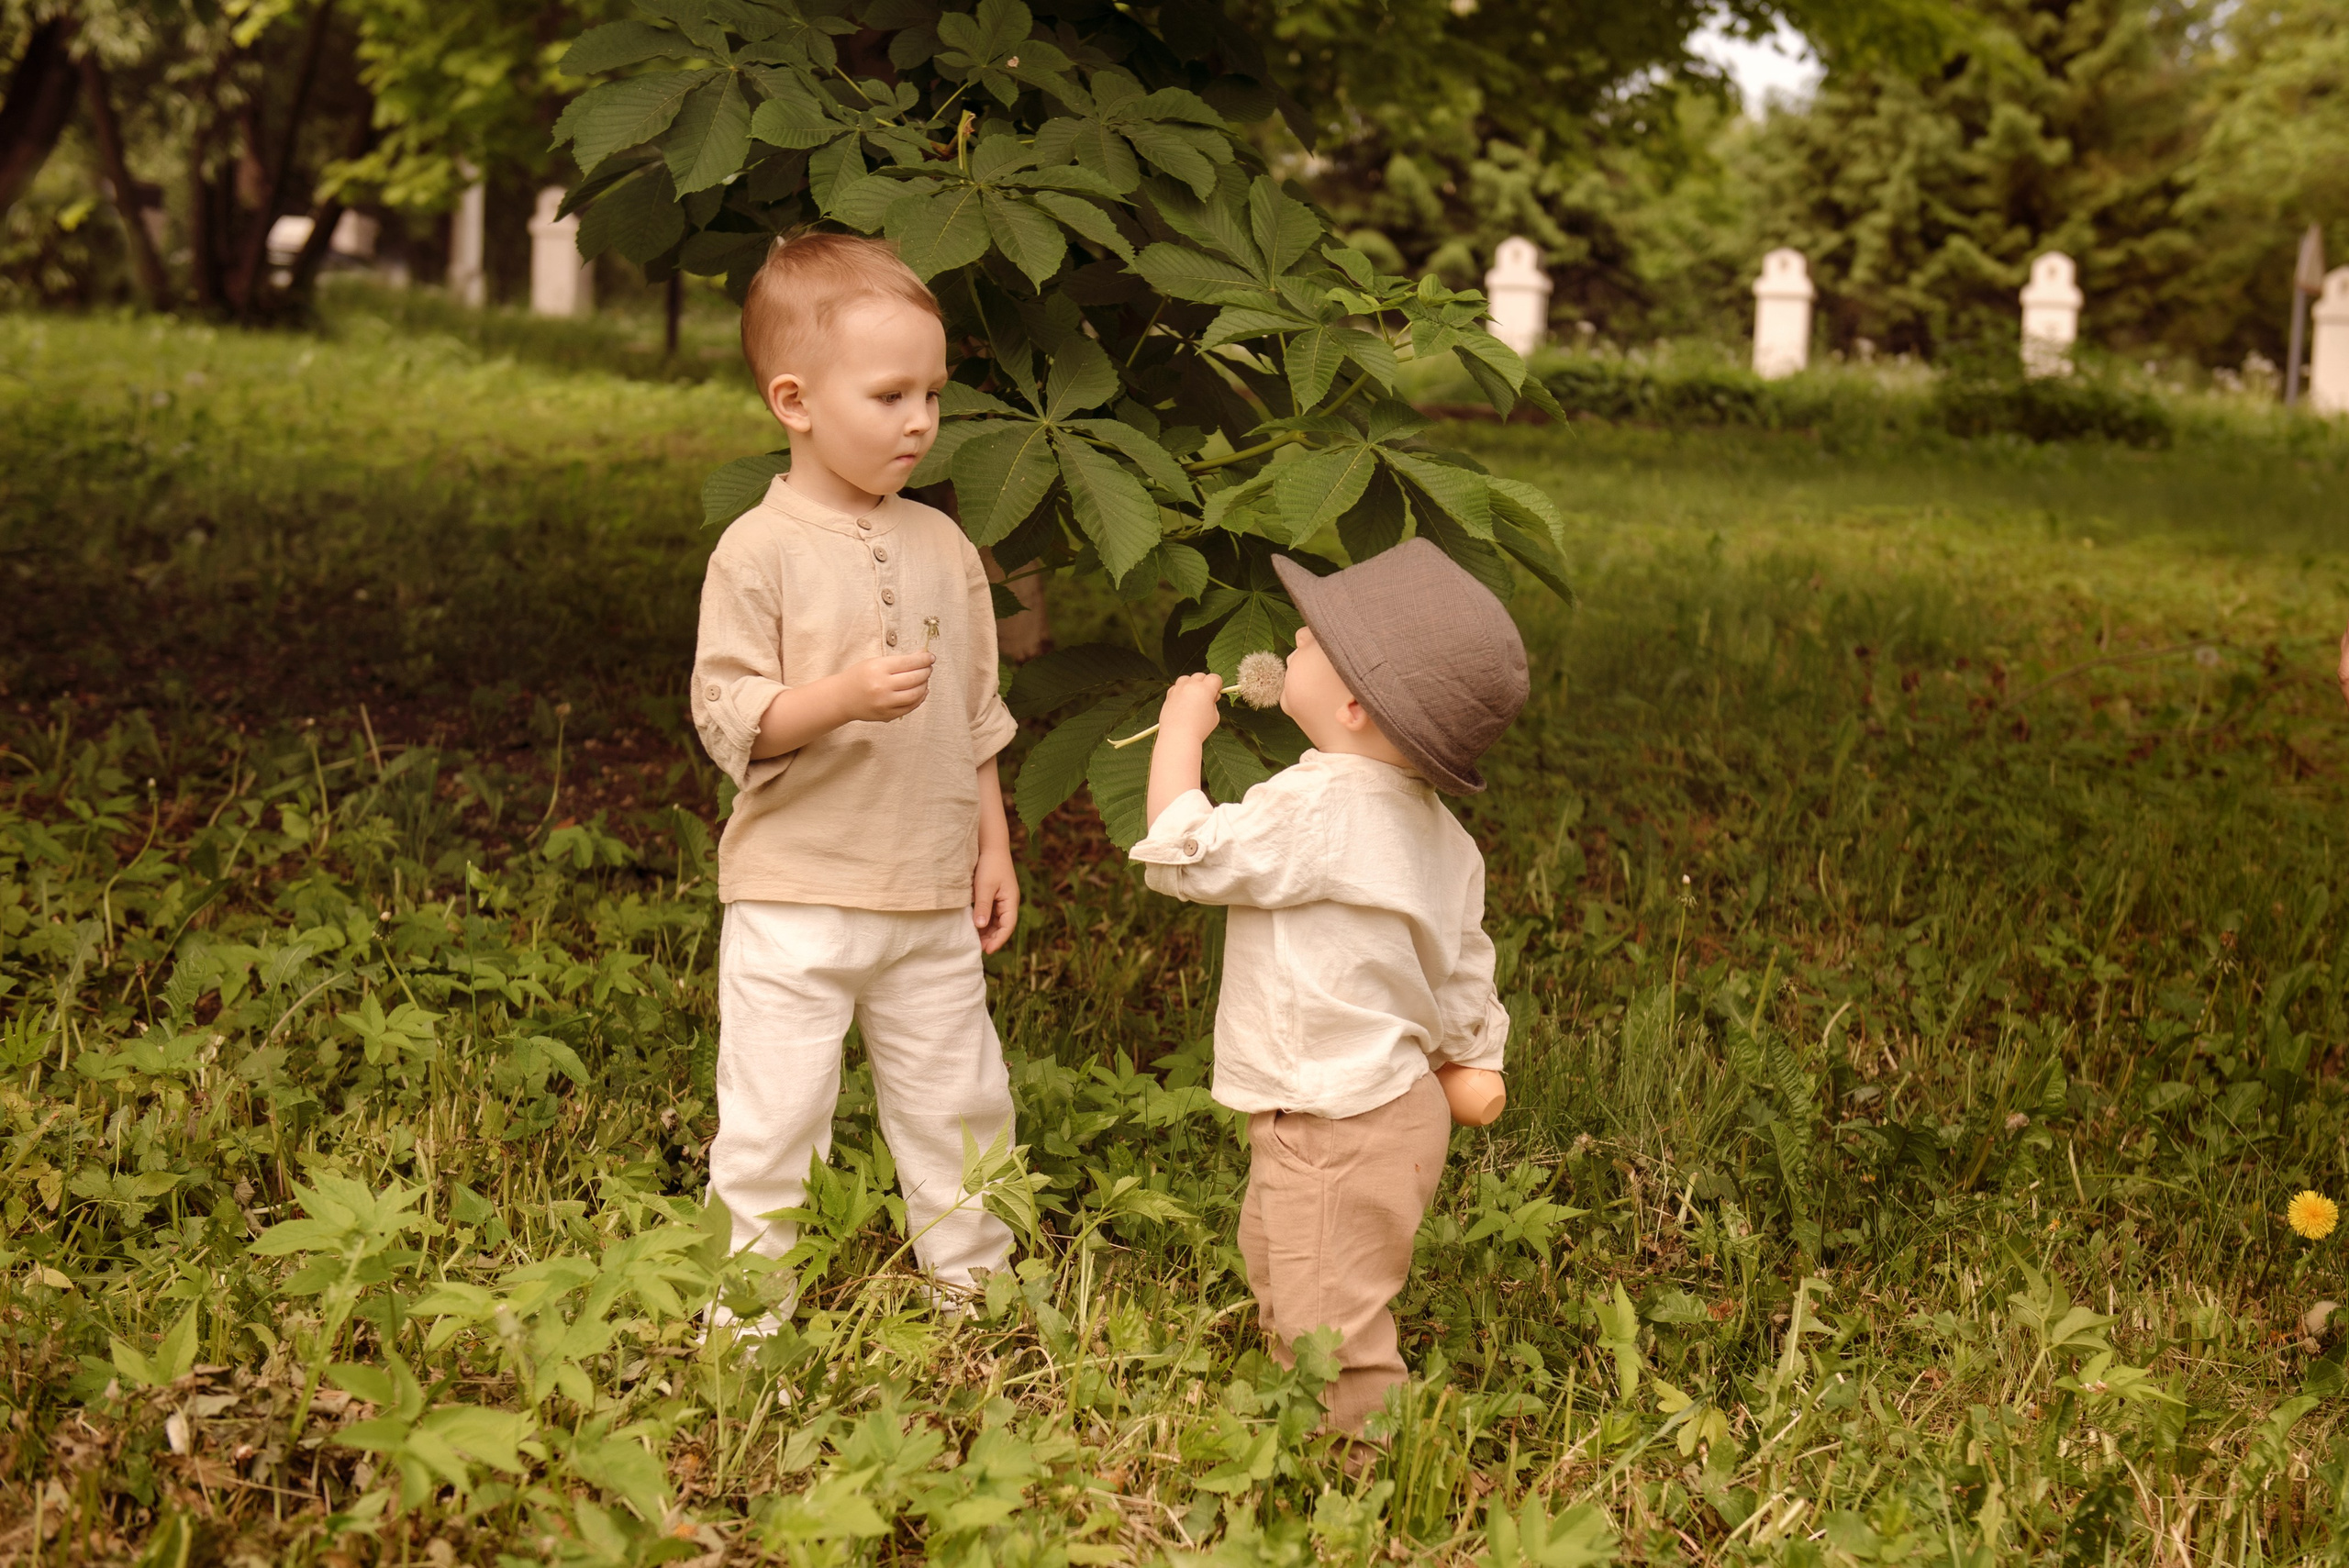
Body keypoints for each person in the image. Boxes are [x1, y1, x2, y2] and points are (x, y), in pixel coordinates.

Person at [689, 232, 1020, 1329]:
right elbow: (730, 712)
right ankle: (746, 1316)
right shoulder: (757, 548)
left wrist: (992, 843)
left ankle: (977, 1290)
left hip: (926, 894)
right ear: (794, 400)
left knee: (961, 1103)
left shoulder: (943, 544)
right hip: (796, 895)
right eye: (889, 394)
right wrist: (839, 696)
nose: (920, 419)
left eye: (932, 391)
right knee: (776, 1119)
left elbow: (975, 713)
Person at [1129, 539, 1528, 1432]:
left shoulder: (1313, 803)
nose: (1294, 639)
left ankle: (1353, 1466)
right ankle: (1298, 1402)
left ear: (1350, 703)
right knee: (1290, 1262)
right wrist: (1473, 1059)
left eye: (1310, 642)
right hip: (1396, 1105)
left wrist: (1178, 736)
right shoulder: (1444, 835)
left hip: (1333, 1112)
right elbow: (1466, 961)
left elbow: (1189, 854)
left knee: (1328, 1318)